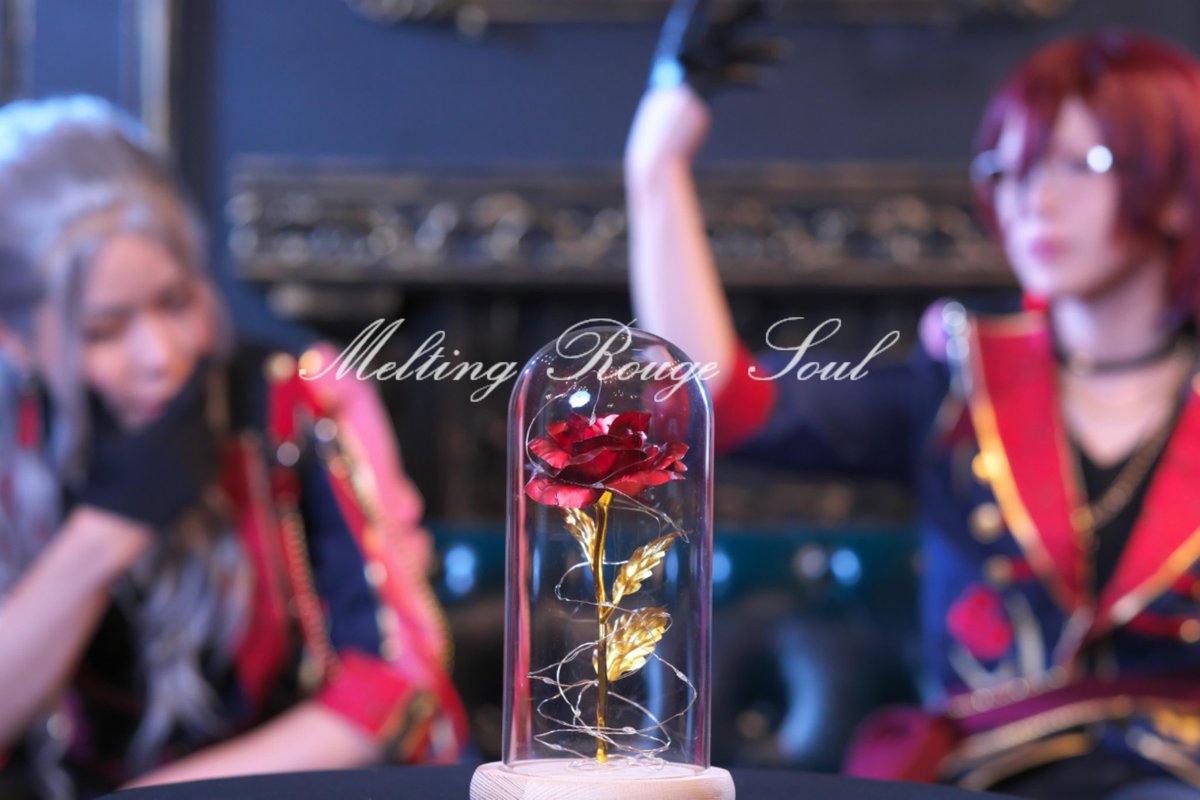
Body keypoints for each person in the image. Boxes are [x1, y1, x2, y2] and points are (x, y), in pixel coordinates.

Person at [626, 5, 1200, 798]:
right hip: (994, 776)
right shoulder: (960, 384)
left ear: (1175, 189)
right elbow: (714, 395)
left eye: (1081, 162)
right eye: (1010, 169)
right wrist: (655, 163)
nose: (1033, 198)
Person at [0, 95, 466, 799]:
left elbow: (397, 684)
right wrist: (106, 535)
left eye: (176, 301)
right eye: (104, 331)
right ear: (15, 340)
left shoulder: (297, 393)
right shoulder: (13, 440)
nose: (161, 355)